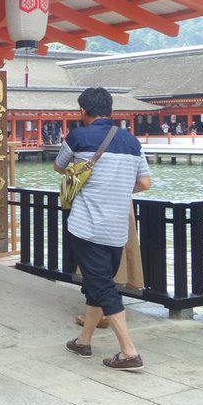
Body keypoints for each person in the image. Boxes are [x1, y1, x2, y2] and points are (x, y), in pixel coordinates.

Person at [55, 87, 151, 371]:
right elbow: (145, 183)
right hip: (117, 229)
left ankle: (129, 352)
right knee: (97, 282)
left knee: (103, 287)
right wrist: (117, 189)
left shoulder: (78, 137)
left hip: (87, 227)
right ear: (111, 111)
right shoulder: (132, 142)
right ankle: (83, 342)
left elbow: (59, 167)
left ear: (83, 111)